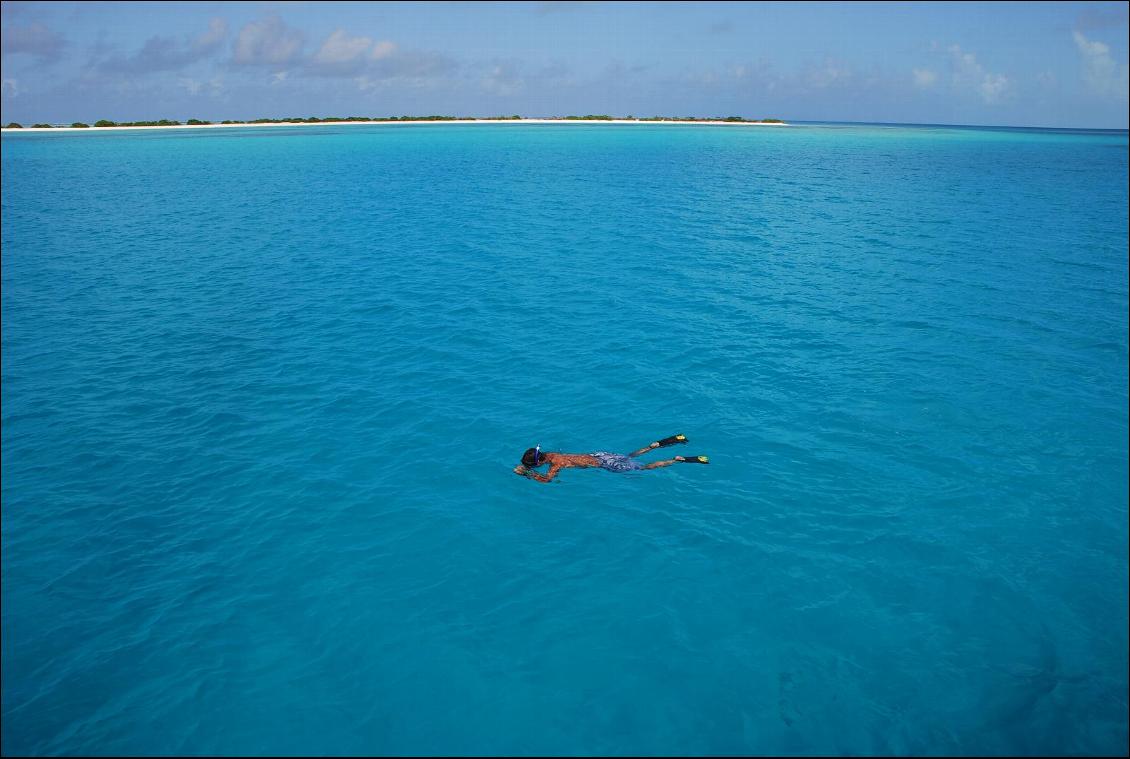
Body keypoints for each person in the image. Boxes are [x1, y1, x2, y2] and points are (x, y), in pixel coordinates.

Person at [513, 434, 709, 483]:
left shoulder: (555, 463)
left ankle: (676, 460)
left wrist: (526, 473)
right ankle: (654, 445)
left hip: (604, 463)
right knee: (629, 456)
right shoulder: (553, 454)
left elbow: (548, 480)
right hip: (600, 454)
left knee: (643, 468)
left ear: (539, 463)